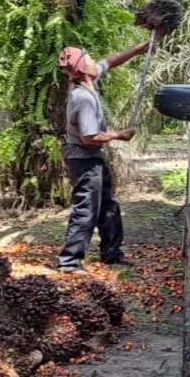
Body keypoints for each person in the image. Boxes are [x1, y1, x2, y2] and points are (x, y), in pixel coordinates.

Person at [55, 39, 152, 272]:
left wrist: (138, 49)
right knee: (86, 207)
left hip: (92, 158)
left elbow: (110, 61)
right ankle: (69, 261)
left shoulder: (88, 78)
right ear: (81, 67)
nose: (93, 60)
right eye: (87, 58)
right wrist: (119, 135)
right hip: (83, 160)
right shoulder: (83, 98)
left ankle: (111, 253)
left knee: (108, 205)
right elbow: (89, 137)